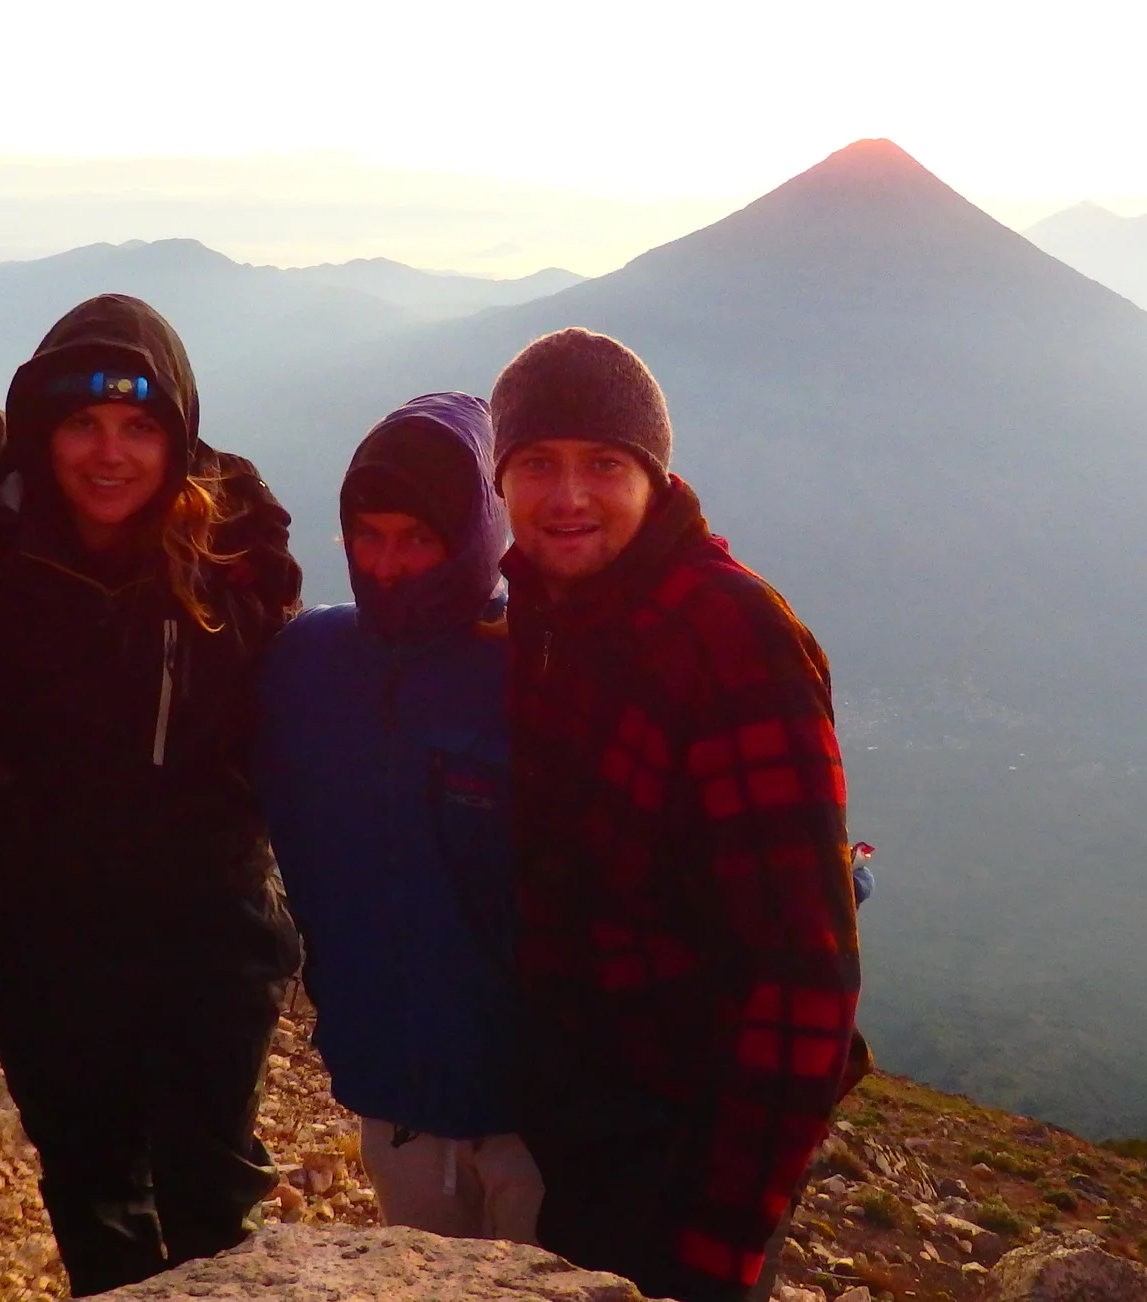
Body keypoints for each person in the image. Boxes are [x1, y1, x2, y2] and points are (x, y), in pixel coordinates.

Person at [491, 329, 865, 1302]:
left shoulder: (731, 637)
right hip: (586, 1109)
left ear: (654, 478)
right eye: (537, 463)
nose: (567, 496)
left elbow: (806, 976)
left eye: (603, 464)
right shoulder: (546, 613)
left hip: (691, 1137)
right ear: (501, 479)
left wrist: (720, 1242)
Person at [0, 294, 303, 1297]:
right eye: (83, 422)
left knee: (212, 1197)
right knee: (91, 1190)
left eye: (139, 426)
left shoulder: (235, 556)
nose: (109, 453)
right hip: (45, 924)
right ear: (43, 430)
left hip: (207, 927)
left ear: (177, 436)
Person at [257, 392, 542, 1242]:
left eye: (418, 538)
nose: (386, 566)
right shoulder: (307, 665)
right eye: (367, 536)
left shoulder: (540, 669)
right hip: (394, 1099)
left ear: (476, 538)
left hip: (541, 1118)